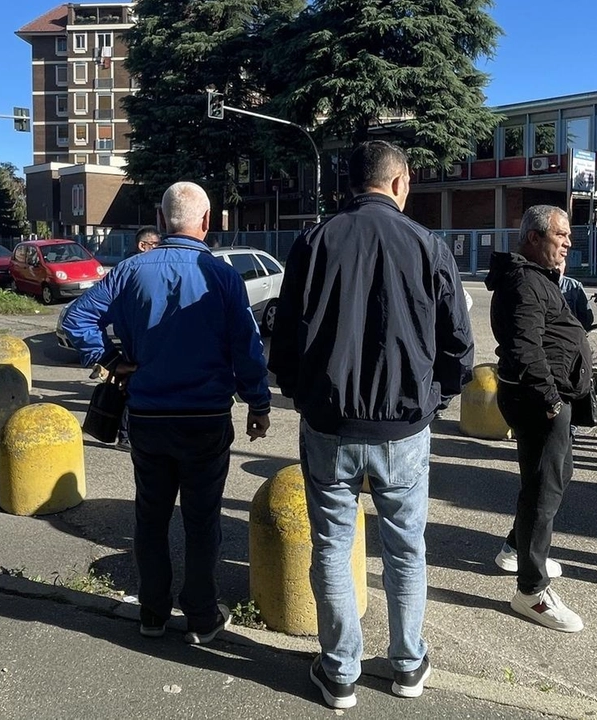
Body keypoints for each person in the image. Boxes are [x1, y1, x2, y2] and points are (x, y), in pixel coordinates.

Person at [269, 140, 474, 710]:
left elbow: (285, 337)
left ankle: (339, 673)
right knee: (407, 549)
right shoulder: (429, 246)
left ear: (351, 184)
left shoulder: (314, 240)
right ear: (401, 182)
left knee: (333, 546)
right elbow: (459, 341)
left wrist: (301, 395)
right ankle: (409, 665)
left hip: (330, 424)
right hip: (404, 428)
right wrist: (439, 397)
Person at [62, 181, 271, 646]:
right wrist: (258, 402)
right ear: (207, 220)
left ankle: (152, 613)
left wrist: (112, 360)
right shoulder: (222, 275)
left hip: (149, 417)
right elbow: (247, 347)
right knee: (203, 520)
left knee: (150, 517)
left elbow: (75, 320)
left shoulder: (130, 270)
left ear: (160, 219)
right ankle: (200, 617)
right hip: (206, 418)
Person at [486, 205, 592, 634]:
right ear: (533, 238)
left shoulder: (536, 278)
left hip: (547, 398)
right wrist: (550, 400)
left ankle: (518, 546)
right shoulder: (524, 283)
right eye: (560, 235)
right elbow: (523, 347)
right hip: (539, 401)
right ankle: (531, 591)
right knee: (543, 488)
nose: (568, 242)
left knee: (556, 474)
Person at [114, 226, 163, 451]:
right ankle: (125, 437)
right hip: (136, 342)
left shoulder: (133, 269)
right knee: (133, 388)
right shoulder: (130, 271)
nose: (160, 250)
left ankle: (129, 434)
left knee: (132, 387)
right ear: (143, 246)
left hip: (135, 340)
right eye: (156, 245)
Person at [558, 260, 594, 331]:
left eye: (559, 264)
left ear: (564, 267)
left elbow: (586, 316)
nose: (557, 268)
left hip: (570, 332)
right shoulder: (540, 284)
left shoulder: (575, 286)